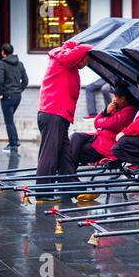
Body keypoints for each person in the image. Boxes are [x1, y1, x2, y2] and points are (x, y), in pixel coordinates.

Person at [36, 40, 93, 203]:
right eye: (86, 60)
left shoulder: (65, 60)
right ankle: (43, 193)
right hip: (54, 113)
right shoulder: (64, 58)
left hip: (58, 114)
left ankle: (74, 188)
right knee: (50, 154)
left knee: (64, 155)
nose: (86, 63)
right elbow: (78, 51)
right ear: (80, 56)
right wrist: (91, 45)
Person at [65, 82, 139, 204]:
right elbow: (97, 122)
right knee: (75, 137)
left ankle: (69, 178)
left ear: (124, 98)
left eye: (116, 97)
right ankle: (70, 178)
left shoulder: (129, 111)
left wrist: (103, 123)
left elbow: (107, 123)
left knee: (69, 150)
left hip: (106, 147)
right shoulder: (115, 108)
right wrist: (105, 111)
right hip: (99, 139)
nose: (113, 99)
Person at [0, 43, 28, 151]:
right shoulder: (20, 64)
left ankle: (13, 144)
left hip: (7, 96)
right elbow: (26, 80)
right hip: (17, 96)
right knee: (10, 120)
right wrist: (19, 90)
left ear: (3, 52)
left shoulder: (2, 64)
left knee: (8, 121)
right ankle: (15, 140)